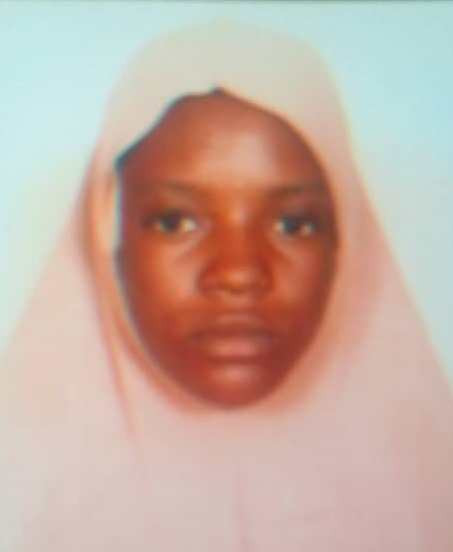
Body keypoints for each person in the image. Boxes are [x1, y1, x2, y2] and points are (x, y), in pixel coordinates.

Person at [2, 21, 452, 552]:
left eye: (294, 224)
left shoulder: (430, 494)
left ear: (346, 245)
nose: (239, 273)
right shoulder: (18, 492)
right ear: (109, 237)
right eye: (175, 222)